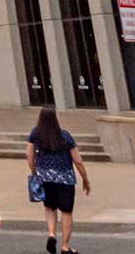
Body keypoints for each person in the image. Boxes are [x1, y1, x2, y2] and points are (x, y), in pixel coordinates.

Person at [27, 106, 90, 254]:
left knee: (50, 207)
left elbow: (29, 156)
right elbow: (78, 160)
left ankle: (51, 234)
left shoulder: (35, 134)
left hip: (45, 178)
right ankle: (65, 246)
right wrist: (85, 179)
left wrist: (34, 171)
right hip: (65, 179)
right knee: (66, 211)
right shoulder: (65, 136)